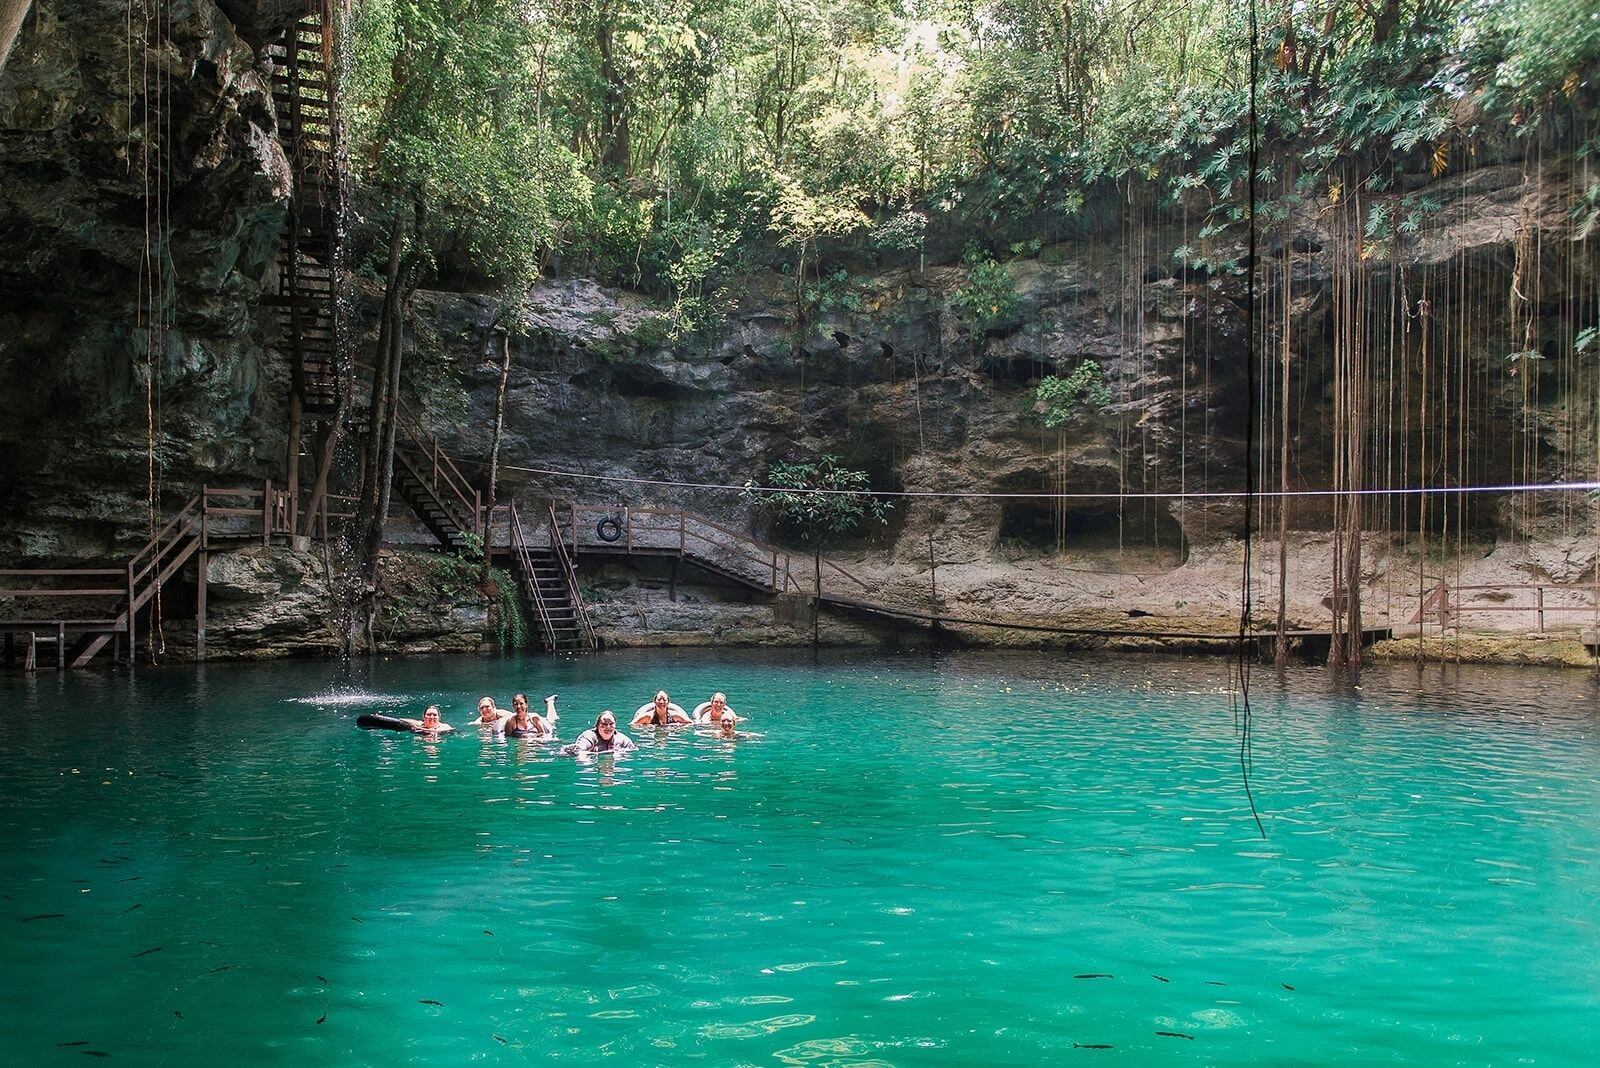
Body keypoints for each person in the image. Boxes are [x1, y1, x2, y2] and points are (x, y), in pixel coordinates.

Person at [564, 710, 636, 755]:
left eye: (611, 724)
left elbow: (633, 752)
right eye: (604, 724)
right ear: (597, 726)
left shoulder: (623, 740)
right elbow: (579, 752)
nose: (608, 727)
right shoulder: (588, 737)